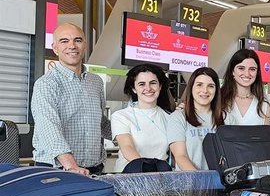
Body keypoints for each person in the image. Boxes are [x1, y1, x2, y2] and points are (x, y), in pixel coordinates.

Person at [31, 23, 110, 175]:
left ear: (85, 46)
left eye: (78, 40)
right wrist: (71, 165)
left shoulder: (96, 82)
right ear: (55, 48)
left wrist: (129, 136)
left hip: (94, 169)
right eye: (64, 41)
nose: (72, 46)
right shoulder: (46, 84)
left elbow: (100, 122)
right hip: (58, 170)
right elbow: (48, 127)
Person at [111, 64, 174, 172]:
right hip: (131, 176)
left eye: (153, 83)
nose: (148, 88)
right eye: (141, 84)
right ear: (133, 89)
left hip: (162, 178)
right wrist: (148, 173)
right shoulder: (121, 116)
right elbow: (127, 147)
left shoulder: (169, 117)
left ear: (160, 86)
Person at [167, 67, 223, 170]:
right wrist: (201, 181)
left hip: (222, 183)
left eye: (211, 86)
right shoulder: (178, 118)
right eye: (199, 85)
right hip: (191, 182)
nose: (205, 91)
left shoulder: (226, 118)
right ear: (191, 87)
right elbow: (180, 156)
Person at [221, 49, 270, 126]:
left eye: (252, 69)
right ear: (232, 71)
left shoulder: (263, 105)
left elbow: (266, 137)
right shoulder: (219, 100)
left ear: (257, 73)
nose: (247, 74)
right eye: (241, 68)